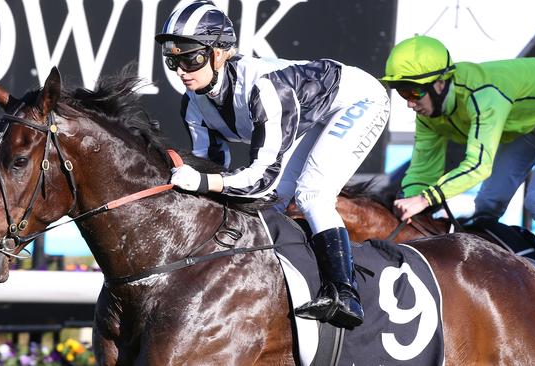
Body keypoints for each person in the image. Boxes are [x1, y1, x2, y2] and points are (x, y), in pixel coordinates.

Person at [155, 0, 390, 329]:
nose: (181, 70)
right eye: (172, 59)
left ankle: (344, 293)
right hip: (310, 113)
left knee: (312, 194)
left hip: (358, 100)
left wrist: (204, 182)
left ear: (219, 53)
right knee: (276, 203)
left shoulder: (264, 88)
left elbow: (259, 178)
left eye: (190, 58)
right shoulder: (192, 104)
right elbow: (210, 169)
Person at [381, 35, 535, 298]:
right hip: (521, 123)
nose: (409, 103)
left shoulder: (483, 96)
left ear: (440, 84)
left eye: (414, 92)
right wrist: (410, 203)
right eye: (402, 92)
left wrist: (425, 199)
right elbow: (423, 170)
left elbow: (479, 165)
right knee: (487, 205)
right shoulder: (428, 116)